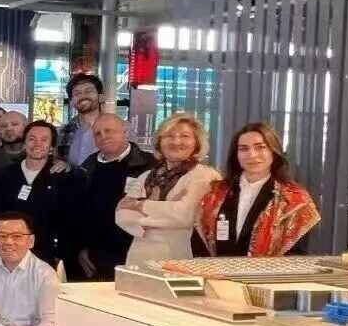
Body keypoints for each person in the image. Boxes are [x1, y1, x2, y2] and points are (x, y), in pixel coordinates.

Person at [192, 122, 320, 257]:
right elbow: (199, 249)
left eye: (260, 147)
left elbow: (298, 256)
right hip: (217, 270)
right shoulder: (214, 197)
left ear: (273, 152)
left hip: (272, 271)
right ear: (236, 155)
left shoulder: (294, 201)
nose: (252, 155)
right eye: (243, 149)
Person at [115, 114, 221, 264]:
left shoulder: (205, 175)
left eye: (185, 136)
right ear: (159, 142)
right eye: (169, 136)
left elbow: (185, 215)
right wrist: (169, 212)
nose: (176, 141)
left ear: (197, 143)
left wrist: (140, 205)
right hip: (139, 257)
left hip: (182, 260)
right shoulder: (146, 176)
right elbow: (121, 215)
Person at [75, 114, 155, 281]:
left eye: (109, 130)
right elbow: (76, 211)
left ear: (125, 131)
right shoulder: (87, 167)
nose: (103, 136)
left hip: (136, 255)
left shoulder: (150, 165)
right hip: (95, 259)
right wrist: (80, 247)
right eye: (98, 133)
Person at [0, 121, 80, 269]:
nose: (37, 144)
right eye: (32, 139)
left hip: (49, 257)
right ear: (24, 142)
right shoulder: (4, 176)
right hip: (10, 254)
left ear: (52, 146)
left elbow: (72, 221)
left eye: (44, 139)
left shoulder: (64, 177)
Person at [58, 72, 104, 167]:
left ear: (100, 97)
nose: (83, 96)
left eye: (89, 91)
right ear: (71, 102)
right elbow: (58, 163)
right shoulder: (63, 132)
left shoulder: (120, 127)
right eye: (77, 93)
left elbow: (131, 164)